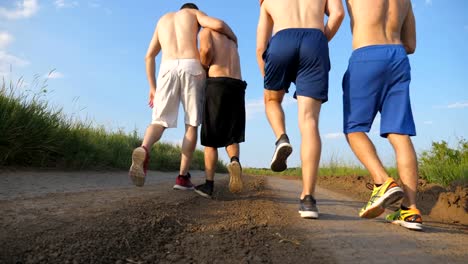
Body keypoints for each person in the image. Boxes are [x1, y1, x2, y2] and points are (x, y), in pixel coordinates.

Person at [129, 3, 237, 190]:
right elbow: (218, 25)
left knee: (159, 121)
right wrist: (234, 37)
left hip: (166, 68)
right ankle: (182, 177)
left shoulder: (162, 20)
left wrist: (152, 87)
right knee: (191, 123)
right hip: (192, 66)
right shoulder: (193, 13)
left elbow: (149, 57)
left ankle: (144, 148)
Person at [256, 0, 344, 219]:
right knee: (309, 122)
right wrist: (321, 40)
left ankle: (281, 138)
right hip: (315, 40)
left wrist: (267, 79)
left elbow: (260, 46)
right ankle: (308, 199)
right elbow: (338, 13)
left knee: (272, 100)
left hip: (281, 40)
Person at [343, 0, 422, 230]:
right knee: (400, 133)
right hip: (398, 58)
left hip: (366, 54)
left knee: (354, 128)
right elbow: (411, 44)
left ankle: (382, 181)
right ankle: (410, 209)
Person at [193, 27, 247, 199]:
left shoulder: (206, 31)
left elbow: (206, 50)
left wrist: (203, 65)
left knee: (211, 138)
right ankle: (234, 161)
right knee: (232, 135)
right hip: (237, 86)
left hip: (217, 84)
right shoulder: (231, 40)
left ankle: (208, 186)